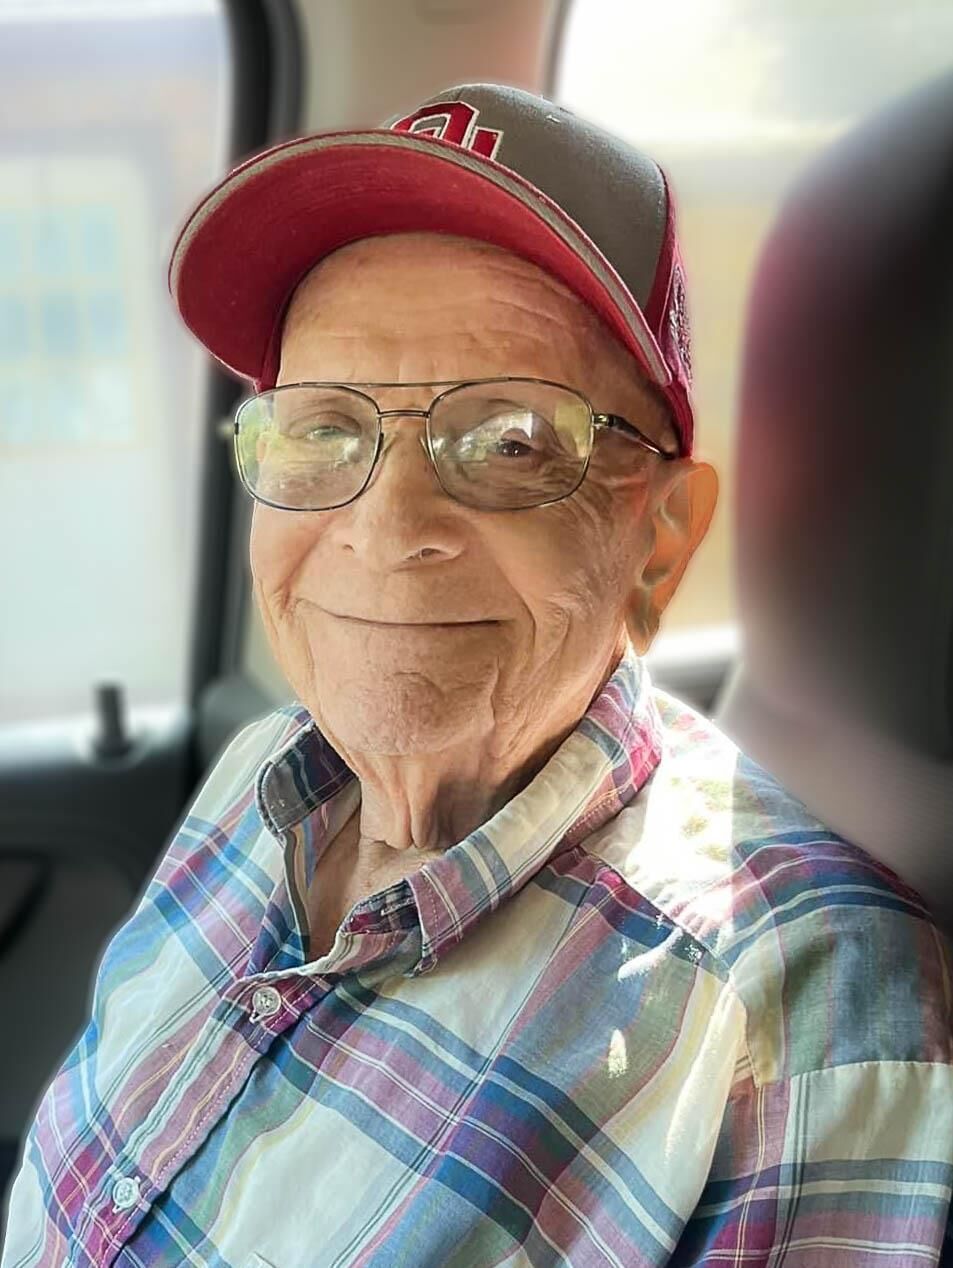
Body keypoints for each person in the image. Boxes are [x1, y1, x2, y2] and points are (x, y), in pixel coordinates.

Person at [3, 83, 951, 1268]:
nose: (386, 526)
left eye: (511, 440)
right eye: (321, 428)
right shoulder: (263, 770)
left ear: (658, 537)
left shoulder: (805, 1021)